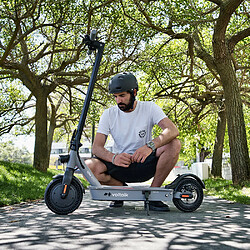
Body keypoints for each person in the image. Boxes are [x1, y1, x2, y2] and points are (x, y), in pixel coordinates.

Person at [85, 72, 181, 212]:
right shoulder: (108, 114)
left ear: (134, 92)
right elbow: (97, 148)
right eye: (115, 97)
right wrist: (114, 158)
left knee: (174, 143)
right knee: (89, 166)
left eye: (122, 95)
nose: (119, 101)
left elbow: (172, 130)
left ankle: (154, 195)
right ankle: (120, 191)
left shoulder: (150, 108)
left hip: (145, 163)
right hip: (120, 166)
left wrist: (149, 146)